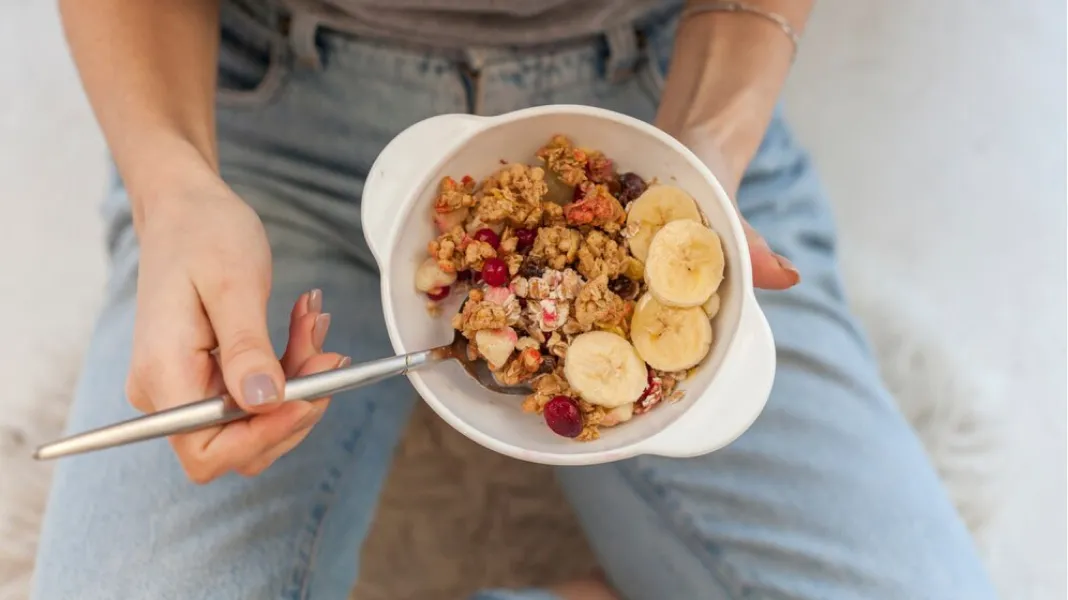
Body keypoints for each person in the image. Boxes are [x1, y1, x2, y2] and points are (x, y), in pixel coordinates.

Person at [32, 0, 997, 598]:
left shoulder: (670, 204)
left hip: (660, 111)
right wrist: (175, 189)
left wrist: (709, 148)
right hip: (263, 130)